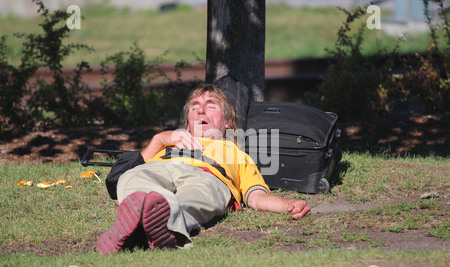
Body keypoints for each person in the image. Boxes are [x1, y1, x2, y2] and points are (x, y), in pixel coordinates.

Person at [96, 84, 311, 255]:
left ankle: (148, 223)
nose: (200, 110)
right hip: (162, 166)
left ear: (227, 122)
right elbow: (126, 173)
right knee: (135, 177)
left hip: (208, 177)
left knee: (196, 197)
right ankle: (155, 220)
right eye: (194, 106)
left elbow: (255, 197)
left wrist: (288, 205)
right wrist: (162, 138)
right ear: (187, 122)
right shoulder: (168, 143)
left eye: (211, 105)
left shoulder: (235, 152)